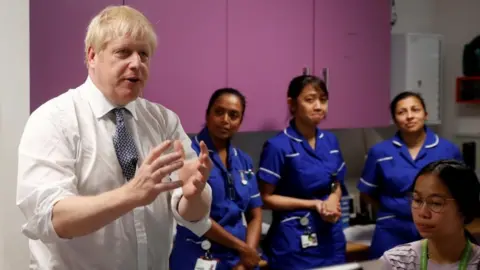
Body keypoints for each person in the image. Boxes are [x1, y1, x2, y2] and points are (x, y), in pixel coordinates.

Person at [16, 5, 214, 270]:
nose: (136, 63)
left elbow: (192, 213)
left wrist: (193, 195)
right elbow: (51, 218)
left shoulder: (164, 121)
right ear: (92, 56)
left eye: (144, 54)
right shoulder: (53, 120)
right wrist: (131, 195)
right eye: (123, 52)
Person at [257, 75, 348, 269]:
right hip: (295, 239)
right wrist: (314, 204)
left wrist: (333, 199)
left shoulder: (330, 142)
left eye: (323, 100)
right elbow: (265, 198)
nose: (318, 106)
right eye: (310, 100)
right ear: (292, 104)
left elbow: (336, 183)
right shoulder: (278, 146)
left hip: (331, 238)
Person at [357, 91, 463, 259]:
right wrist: (390, 211)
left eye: (415, 110)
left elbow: (461, 191)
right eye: (401, 112)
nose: (409, 116)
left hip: (436, 228)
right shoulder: (380, 152)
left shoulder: (448, 150)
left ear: (425, 115)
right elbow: (367, 192)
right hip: (392, 229)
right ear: (394, 119)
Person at [170, 88, 264, 270]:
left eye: (234, 115)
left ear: (240, 121)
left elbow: (255, 214)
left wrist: (248, 256)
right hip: (198, 256)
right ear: (207, 115)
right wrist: (243, 248)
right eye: (219, 112)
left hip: (239, 259)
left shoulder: (243, 160)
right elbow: (195, 217)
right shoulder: (189, 155)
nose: (225, 120)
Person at [381, 160, 480, 269]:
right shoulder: (395, 262)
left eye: (436, 203)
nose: (423, 213)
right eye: (417, 200)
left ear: (465, 208)